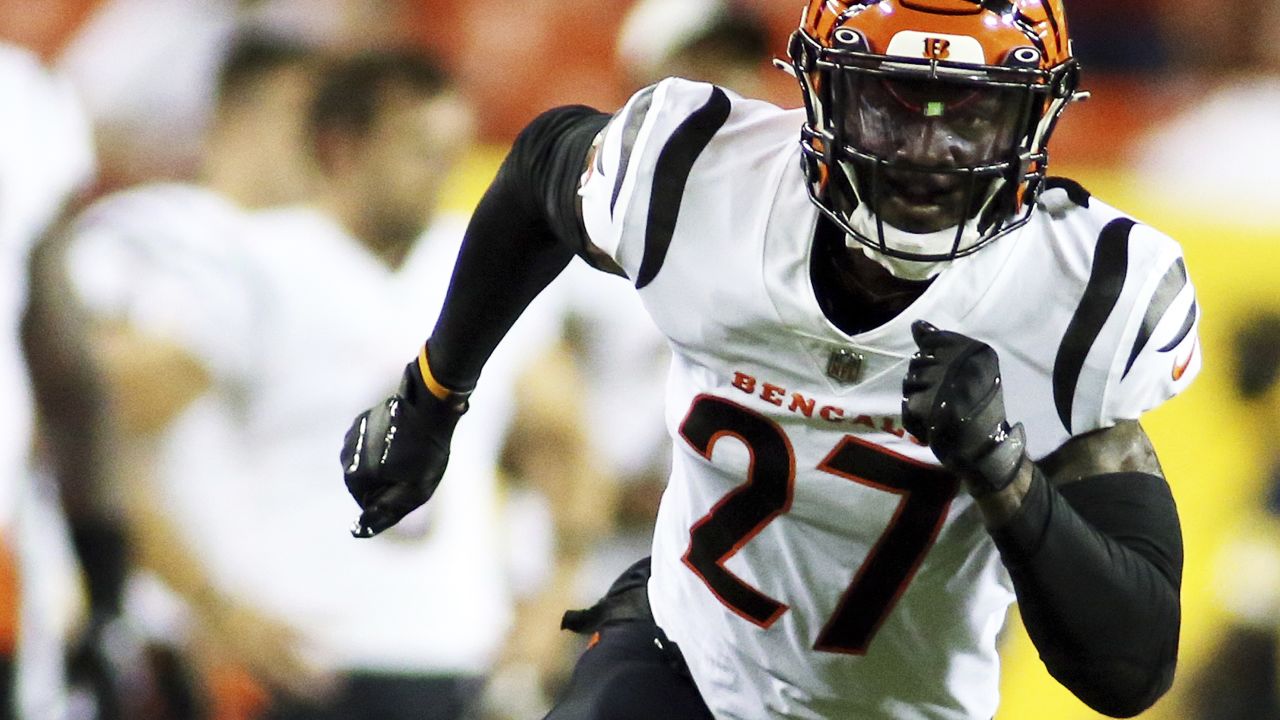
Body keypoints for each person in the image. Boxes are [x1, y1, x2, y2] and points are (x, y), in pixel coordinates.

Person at [340, 1, 1198, 718]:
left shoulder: (1086, 293)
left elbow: (1131, 668)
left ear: (1035, 117)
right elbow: (538, 171)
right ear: (824, 93)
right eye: (893, 104)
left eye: (971, 113)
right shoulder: (703, 174)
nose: (927, 155)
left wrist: (1004, 469)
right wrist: (433, 394)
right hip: (684, 649)